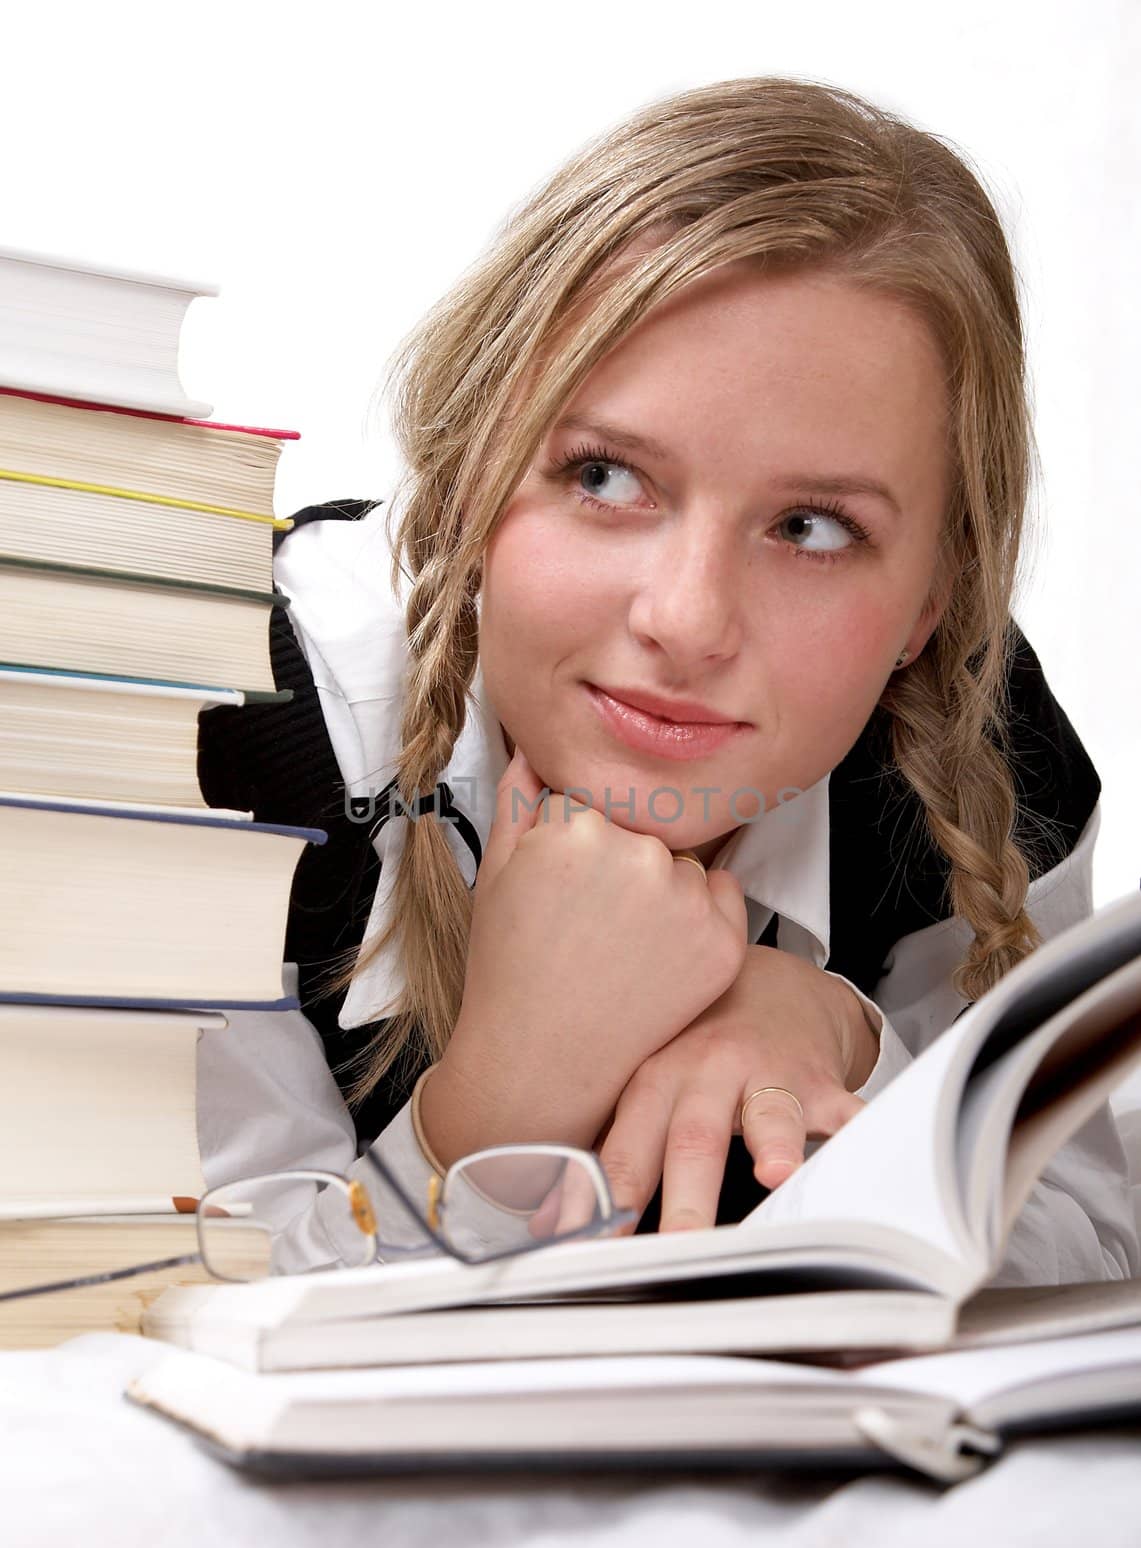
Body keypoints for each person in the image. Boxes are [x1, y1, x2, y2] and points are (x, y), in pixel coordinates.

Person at [196, 74, 1139, 1285]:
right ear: (471, 470)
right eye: (602, 477)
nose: (686, 621)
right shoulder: (228, 717)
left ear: (932, 602)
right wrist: (500, 1105)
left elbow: (1094, 1253)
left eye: (810, 527)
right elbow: (131, 1307)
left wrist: (841, 1040)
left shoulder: (979, 746)